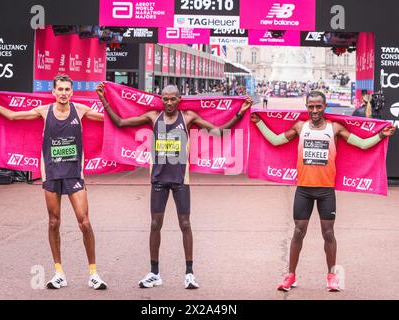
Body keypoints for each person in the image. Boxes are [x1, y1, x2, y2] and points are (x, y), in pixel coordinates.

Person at [97, 84, 252, 289]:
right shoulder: (153, 117)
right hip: (159, 179)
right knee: (155, 225)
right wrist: (103, 99)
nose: (169, 103)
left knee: (185, 224)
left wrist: (240, 113)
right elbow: (119, 122)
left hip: (180, 180)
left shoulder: (187, 118)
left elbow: (217, 132)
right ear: (161, 99)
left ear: (180, 100)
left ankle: (189, 274)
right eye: (165, 99)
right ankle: (154, 273)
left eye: (173, 99)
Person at [251, 90, 395, 292]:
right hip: (304, 190)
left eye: (318, 106)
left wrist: (381, 134)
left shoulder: (334, 128)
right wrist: (258, 122)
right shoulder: (300, 127)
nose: (315, 110)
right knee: (298, 232)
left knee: (328, 234)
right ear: (306, 107)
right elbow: (275, 141)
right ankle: (290, 276)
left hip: (326, 191)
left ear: (325, 107)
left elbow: (362, 144)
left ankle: (331, 276)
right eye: (311, 106)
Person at [0, 75, 108, 290]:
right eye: (60, 89)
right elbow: (12, 116)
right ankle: (59, 272)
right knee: (53, 222)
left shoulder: (79, 110)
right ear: (53, 92)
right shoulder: (44, 111)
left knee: (84, 222)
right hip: (51, 173)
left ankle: (94, 273)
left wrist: (104, 99)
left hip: (74, 173)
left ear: (72, 92)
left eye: (68, 89)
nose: (64, 93)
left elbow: (110, 120)